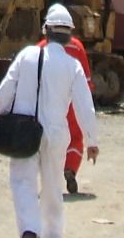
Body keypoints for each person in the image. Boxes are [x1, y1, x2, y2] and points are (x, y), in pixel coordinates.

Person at [0, 3, 100, 238]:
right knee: (53, 184)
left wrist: (3, 113)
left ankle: (29, 230)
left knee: (23, 182)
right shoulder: (72, 66)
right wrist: (92, 139)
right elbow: (84, 106)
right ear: (69, 35)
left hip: (23, 129)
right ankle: (54, 237)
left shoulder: (27, 56)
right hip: (56, 133)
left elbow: (4, 91)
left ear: (46, 30)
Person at [36, 24, 93, 195]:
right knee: (75, 137)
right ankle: (71, 169)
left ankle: (48, 179)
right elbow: (86, 78)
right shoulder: (77, 46)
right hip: (72, 102)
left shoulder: (40, 48)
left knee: (47, 143)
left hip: (50, 104)